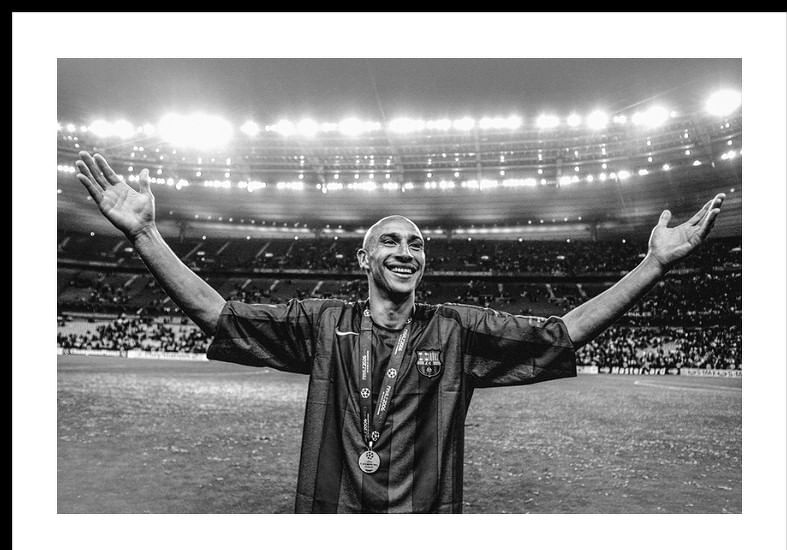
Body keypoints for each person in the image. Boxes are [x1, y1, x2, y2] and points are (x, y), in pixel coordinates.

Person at [75, 151, 725, 513]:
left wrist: (653, 264)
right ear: (364, 258)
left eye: (416, 243)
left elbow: (563, 331)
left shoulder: (457, 330)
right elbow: (218, 314)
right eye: (390, 240)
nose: (406, 250)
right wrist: (146, 234)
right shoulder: (323, 323)